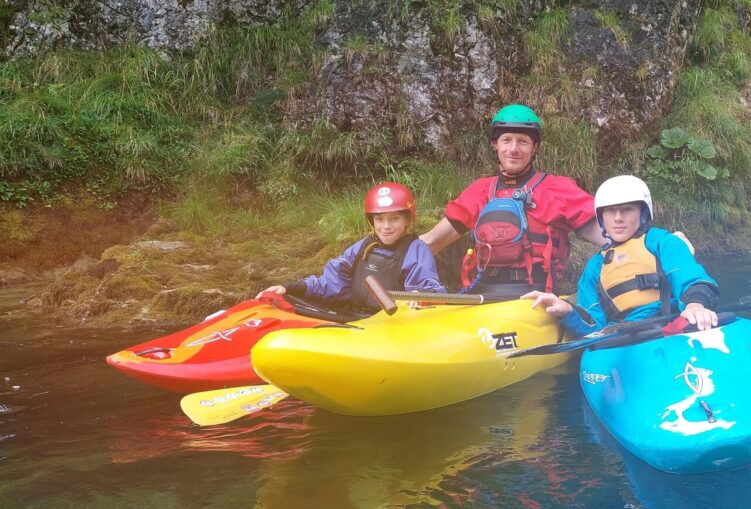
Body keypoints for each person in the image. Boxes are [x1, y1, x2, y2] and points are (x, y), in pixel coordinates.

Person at [419, 103, 604, 296]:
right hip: (482, 294)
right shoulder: (481, 191)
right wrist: (391, 257)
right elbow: (430, 242)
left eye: (523, 141)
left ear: (535, 147)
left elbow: (609, 237)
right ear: (495, 144)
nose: (513, 149)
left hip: (536, 299)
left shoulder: (557, 189)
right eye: (506, 140)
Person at [523, 175, 719, 335]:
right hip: (626, 337)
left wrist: (695, 305)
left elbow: (690, 278)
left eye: (627, 210)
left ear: (642, 213)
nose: (617, 218)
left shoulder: (663, 242)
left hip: (673, 326)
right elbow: (593, 325)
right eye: (610, 211)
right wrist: (567, 311)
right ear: (601, 218)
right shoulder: (594, 267)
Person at [257, 182, 446, 314]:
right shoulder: (363, 247)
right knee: (287, 301)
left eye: (394, 218)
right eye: (380, 219)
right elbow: (330, 284)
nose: (386, 226)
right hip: (354, 319)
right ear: (372, 221)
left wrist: (421, 296)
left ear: (407, 220)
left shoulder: (416, 250)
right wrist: (290, 287)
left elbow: (430, 289)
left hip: (392, 324)